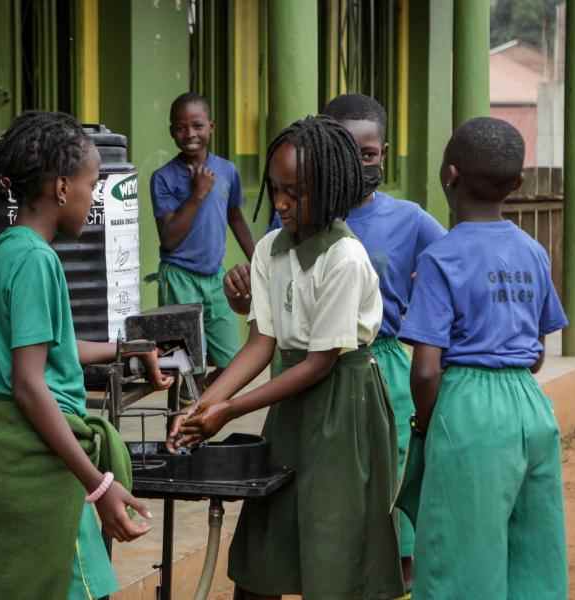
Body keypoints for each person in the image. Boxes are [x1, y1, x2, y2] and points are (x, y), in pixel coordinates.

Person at [170, 116, 405, 600]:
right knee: (267, 546)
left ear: (331, 187)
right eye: (275, 189)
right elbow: (261, 342)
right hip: (292, 407)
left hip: (344, 411)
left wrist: (230, 411)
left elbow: (320, 363)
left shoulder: (345, 258)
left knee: (335, 543)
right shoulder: (270, 251)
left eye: (295, 192)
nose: (280, 203)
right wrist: (203, 404)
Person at [223, 94, 446, 585]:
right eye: (276, 190)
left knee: (356, 530)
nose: (281, 202)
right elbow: (267, 332)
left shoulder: (378, 236)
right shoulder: (281, 236)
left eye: (370, 153)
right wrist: (212, 399)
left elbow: (448, 275)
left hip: (363, 379)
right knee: (271, 534)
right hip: (292, 383)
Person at [0, 111, 173, 600]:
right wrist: (99, 486)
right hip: (40, 460)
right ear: (62, 188)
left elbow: (49, 348)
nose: (94, 196)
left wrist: (126, 348)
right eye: (92, 183)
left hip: (5, 449)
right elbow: (29, 383)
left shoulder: (5, 250)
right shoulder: (38, 261)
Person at [397, 117, 569, 599]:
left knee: (458, 562)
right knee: (534, 556)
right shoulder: (533, 252)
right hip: (531, 410)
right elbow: (535, 352)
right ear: (516, 184)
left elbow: (427, 368)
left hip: (467, 410)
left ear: (449, 175)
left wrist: (430, 428)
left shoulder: (441, 257)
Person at [151, 92, 255, 393]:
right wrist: (197, 194)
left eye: (197, 125)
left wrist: (260, 260)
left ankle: (198, 405)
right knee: (185, 366)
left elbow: (235, 218)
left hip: (215, 279)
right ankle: (185, 423)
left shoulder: (227, 171)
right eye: (181, 128)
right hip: (178, 279)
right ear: (172, 132)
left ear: (211, 126)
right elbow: (169, 239)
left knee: (232, 363)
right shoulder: (163, 178)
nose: (190, 134)